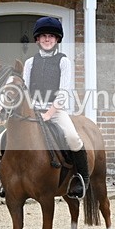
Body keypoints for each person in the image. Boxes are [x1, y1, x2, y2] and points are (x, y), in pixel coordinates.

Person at [20, 16, 89, 198]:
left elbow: (63, 92)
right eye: (43, 36)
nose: (47, 39)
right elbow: (25, 91)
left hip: (56, 111)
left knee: (73, 138)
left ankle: (81, 179)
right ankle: (10, 180)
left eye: (51, 36)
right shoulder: (30, 63)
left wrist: (49, 113)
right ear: (37, 39)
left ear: (57, 39)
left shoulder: (63, 61)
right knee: (0, 142)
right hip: (33, 112)